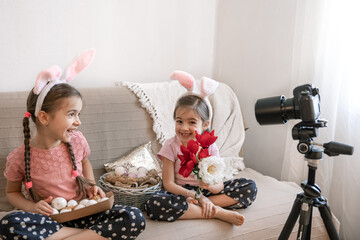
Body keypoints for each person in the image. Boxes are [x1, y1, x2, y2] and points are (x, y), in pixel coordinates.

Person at [0, 49, 145, 240]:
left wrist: (91, 185)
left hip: (86, 213)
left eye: (78, 114)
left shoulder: (77, 140)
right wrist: (33, 207)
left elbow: (85, 162)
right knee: (9, 224)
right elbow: (11, 192)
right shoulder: (19, 157)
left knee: (133, 216)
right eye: (71, 114)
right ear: (44, 117)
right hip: (50, 221)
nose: (78, 121)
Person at [144, 71, 257, 226]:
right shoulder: (170, 145)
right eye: (179, 121)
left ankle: (202, 207)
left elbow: (219, 185)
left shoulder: (209, 145)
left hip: (207, 192)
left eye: (191, 122)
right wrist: (198, 198)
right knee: (154, 204)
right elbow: (168, 184)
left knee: (249, 187)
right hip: (183, 193)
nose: (184, 128)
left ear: (205, 125)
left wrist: (210, 187)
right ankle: (216, 212)